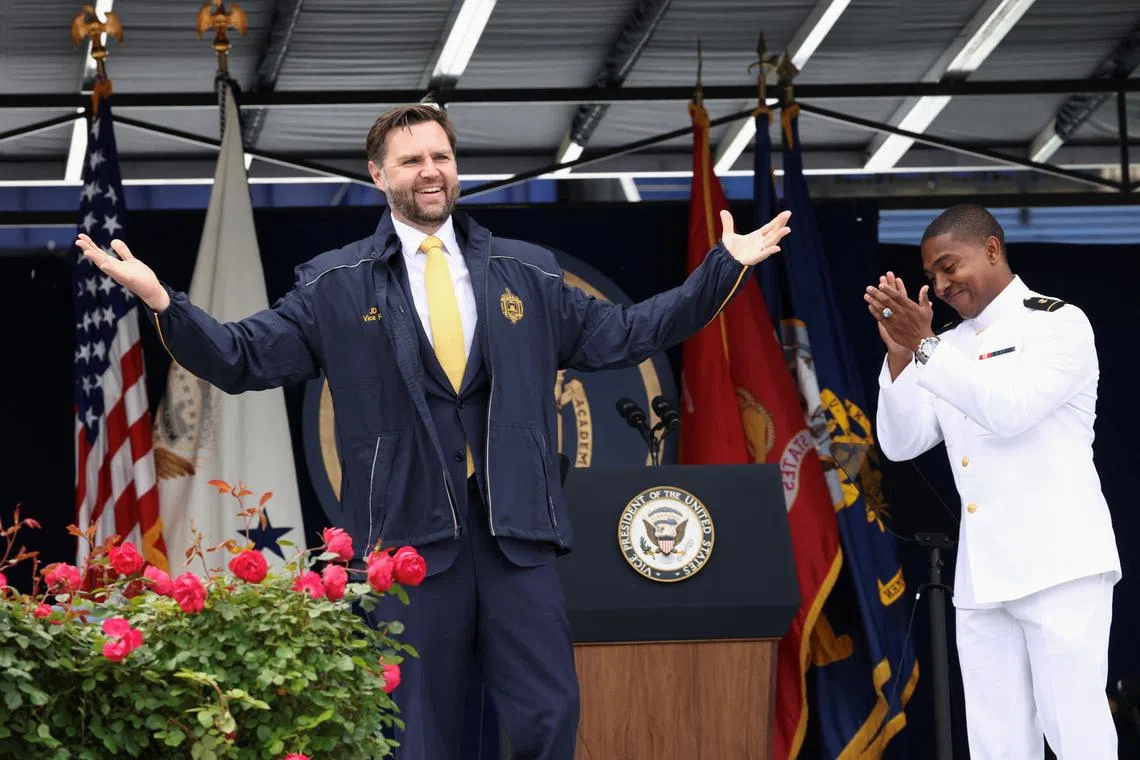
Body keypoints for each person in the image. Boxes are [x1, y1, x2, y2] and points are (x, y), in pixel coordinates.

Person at [76, 103, 792, 760]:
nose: (430, 171)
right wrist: (164, 302)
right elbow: (241, 357)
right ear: (378, 174)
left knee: (549, 715)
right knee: (418, 732)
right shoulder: (335, 283)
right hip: (405, 542)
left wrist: (721, 269)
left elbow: (628, 334)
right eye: (412, 160)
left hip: (516, 537)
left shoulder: (527, 271)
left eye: (441, 157)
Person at [865, 204, 1121, 759]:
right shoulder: (947, 345)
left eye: (949, 267)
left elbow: (1009, 411)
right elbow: (901, 443)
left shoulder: (1057, 323)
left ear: (991, 250)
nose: (941, 285)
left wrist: (925, 346)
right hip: (983, 575)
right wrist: (902, 354)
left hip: (1059, 566)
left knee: (1076, 733)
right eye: (931, 276)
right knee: (995, 743)